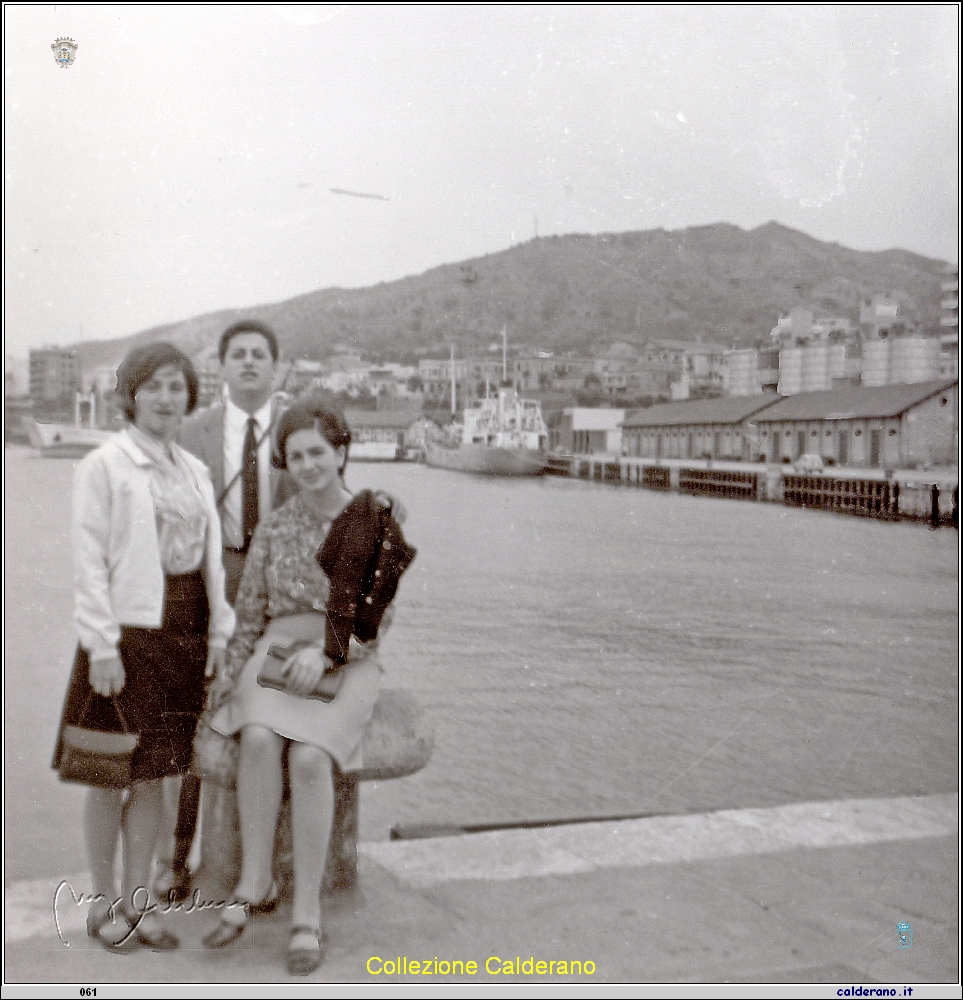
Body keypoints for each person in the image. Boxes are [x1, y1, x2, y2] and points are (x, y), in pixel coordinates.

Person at [52, 342, 235, 950]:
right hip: (124, 636)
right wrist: (101, 644)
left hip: (183, 633)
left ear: (190, 397)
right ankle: (102, 905)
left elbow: (210, 566)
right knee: (108, 775)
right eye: (153, 386)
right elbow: (89, 561)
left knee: (157, 776)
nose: (166, 398)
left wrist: (217, 634)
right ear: (131, 394)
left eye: (177, 387)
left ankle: (140, 907)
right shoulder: (105, 464)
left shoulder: (196, 471)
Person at [202, 397, 386, 976]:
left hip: (348, 658)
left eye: (318, 453)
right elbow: (249, 613)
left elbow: (375, 621)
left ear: (341, 453)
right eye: (295, 455)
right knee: (256, 736)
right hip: (272, 654)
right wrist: (227, 680)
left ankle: (306, 906)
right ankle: (254, 881)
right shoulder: (275, 527)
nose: (307, 464)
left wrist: (326, 652)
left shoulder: (374, 521)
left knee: (309, 757)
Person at [157, 318, 289, 903]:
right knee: (192, 708)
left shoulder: (297, 427)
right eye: (239, 354)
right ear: (222, 366)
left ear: (276, 367)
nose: (250, 363)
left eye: (261, 354)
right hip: (210, 577)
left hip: (278, 588)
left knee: (269, 715)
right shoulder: (192, 432)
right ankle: (173, 857)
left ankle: (262, 866)